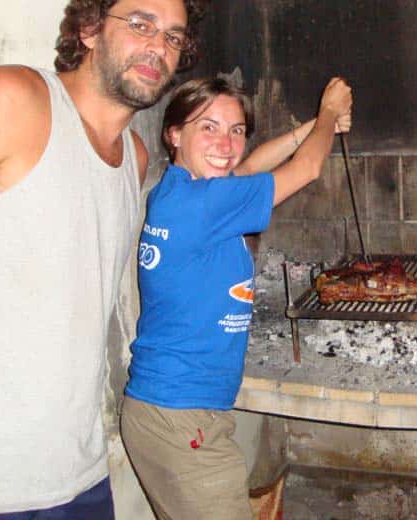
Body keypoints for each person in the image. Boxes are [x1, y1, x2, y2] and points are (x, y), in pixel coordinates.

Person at [0, 0, 208, 518]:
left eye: (173, 37)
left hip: (76, 476)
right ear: (87, 29)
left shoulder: (133, 157)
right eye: (140, 23)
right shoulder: (12, 101)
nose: (158, 46)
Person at [119, 74, 352, 520]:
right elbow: (306, 170)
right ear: (174, 134)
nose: (226, 143)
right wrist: (327, 113)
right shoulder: (202, 206)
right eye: (208, 127)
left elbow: (247, 169)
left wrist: (306, 130)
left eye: (237, 130)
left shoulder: (180, 189)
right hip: (183, 420)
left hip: (169, 411)